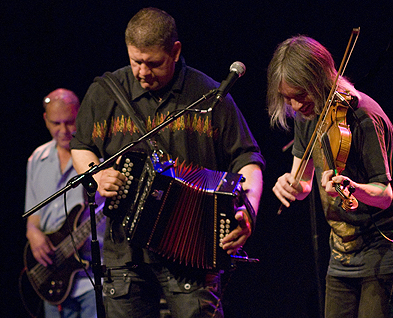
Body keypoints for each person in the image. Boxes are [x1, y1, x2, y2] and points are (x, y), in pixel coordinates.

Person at [70, 7, 265, 318]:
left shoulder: (209, 96)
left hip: (193, 254)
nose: (143, 72)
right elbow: (80, 147)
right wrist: (97, 175)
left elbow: (248, 159)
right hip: (125, 252)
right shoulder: (106, 93)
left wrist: (249, 209)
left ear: (175, 51)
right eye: (136, 62)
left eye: (154, 63)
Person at [268, 35, 393, 318]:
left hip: (386, 246)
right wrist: (290, 185)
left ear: (319, 80)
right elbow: (302, 182)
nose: (296, 105)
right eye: (287, 98)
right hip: (343, 250)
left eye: (301, 95)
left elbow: (385, 195)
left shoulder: (363, 117)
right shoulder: (308, 115)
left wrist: (354, 189)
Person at [25, 88, 105, 317]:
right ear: (45, 120)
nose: (63, 131)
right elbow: (33, 217)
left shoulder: (96, 158)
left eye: (69, 122)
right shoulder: (36, 159)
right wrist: (33, 233)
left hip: (92, 277)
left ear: (80, 115)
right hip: (52, 274)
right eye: (55, 123)